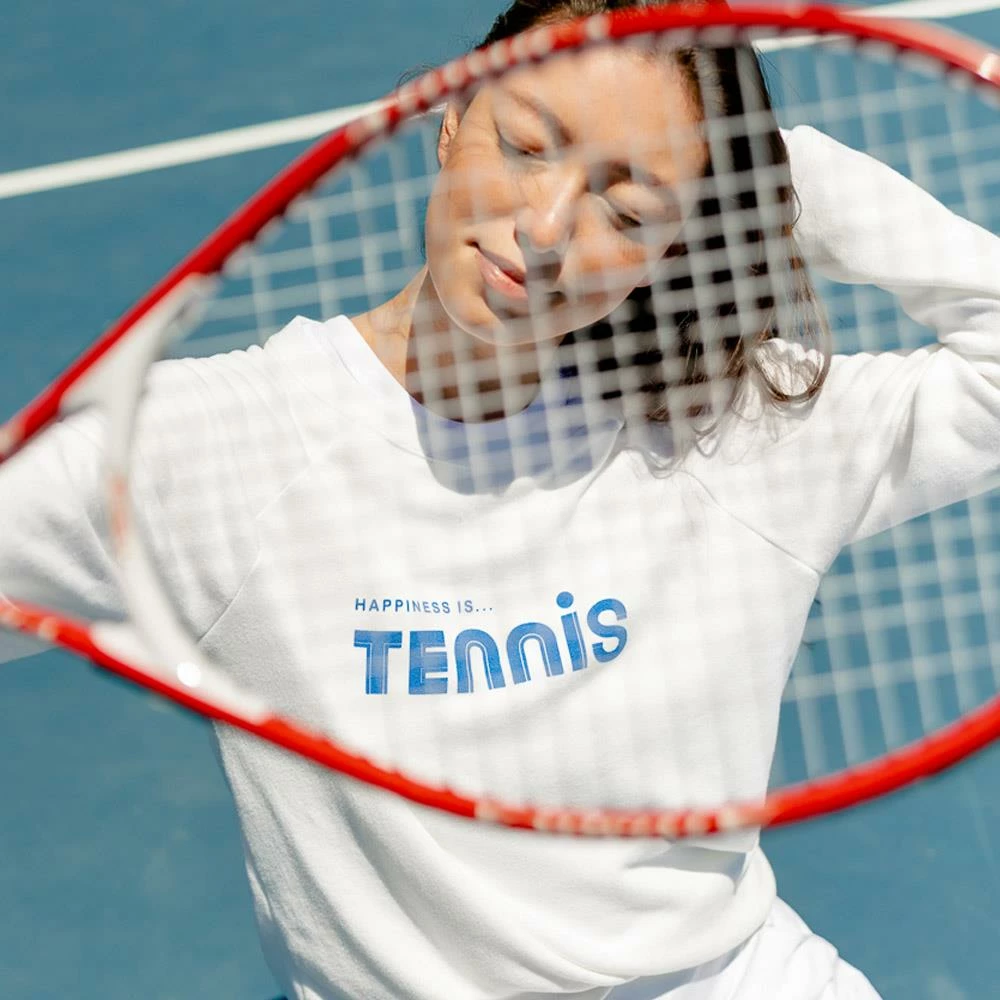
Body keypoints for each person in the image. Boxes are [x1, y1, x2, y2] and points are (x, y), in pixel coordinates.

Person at [3, 1, 1000, 997]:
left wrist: (786, 176)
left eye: (629, 208)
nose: (549, 227)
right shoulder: (210, 448)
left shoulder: (731, 430)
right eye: (527, 145)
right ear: (449, 112)